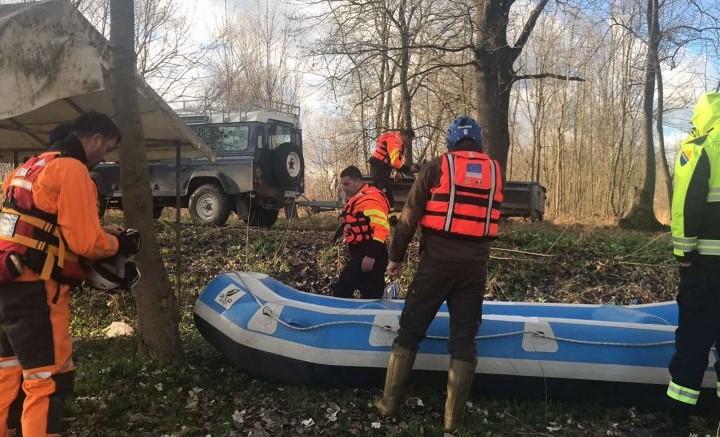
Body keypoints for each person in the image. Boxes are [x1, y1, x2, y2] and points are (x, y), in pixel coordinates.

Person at [0, 111, 141, 437]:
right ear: (94, 139)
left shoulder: (29, 167)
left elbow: (40, 225)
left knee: (7, 372)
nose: (103, 158)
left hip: (8, 283)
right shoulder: (72, 170)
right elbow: (86, 242)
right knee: (47, 381)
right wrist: (119, 241)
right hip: (38, 292)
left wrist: (99, 230)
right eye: (106, 149)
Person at [374, 116, 503, 432]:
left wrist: (395, 258)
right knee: (463, 341)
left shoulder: (437, 166)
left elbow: (408, 219)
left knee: (410, 331)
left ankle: (389, 405)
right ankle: (451, 421)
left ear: (451, 141)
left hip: (436, 265)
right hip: (474, 269)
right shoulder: (495, 170)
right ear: (478, 140)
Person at [663, 92, 720, 433]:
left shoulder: (698, 146)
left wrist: (683, 255)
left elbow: (685, 203)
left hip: (706, 269)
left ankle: (677, 422)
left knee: (693, 344)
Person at [332, 165, 391, 299]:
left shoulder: (370, 200)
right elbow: (358, 221)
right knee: (370, 293)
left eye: (347, 184)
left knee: (343, 288)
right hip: (361, 253)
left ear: (358, 182)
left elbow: (381, 228)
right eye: (342, 184)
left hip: (370, 255)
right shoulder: (358, 197)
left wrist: (371, 255)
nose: (344, 188)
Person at [368, 129, 419, 223]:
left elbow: (393, 159)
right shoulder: (395, 141)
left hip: (382, 169)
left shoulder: (395, 140)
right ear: (406, 136)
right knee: (386, 195)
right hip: (379, 170)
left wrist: (397, 171)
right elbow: (395, 162)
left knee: (387, 195)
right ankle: (388, 220)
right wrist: (408, 169)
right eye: (409, 140)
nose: (408, 143)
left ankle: (389, 219)